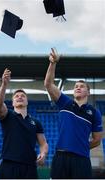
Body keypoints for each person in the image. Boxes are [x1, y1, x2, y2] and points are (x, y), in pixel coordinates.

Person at [44, 48, 103, 179]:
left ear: (88, 92)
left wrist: (80, 146)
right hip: (61, 157)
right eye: (76, 86)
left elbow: (97, 139)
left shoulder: (94, 113)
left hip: (82, 159)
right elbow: (48, 84)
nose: (78, 87)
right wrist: (53, 63)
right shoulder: (65, 102)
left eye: (81, 86)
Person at [0, 68, 48, 179]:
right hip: (9, 165)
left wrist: (43, 154)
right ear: (13, 102)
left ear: (27, 102)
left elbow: (43, 143)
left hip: (30, 166)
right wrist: (4, 85)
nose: (20, 97)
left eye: (23, 96)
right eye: (16, 96)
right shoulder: (7, 115)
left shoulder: (35, 122)